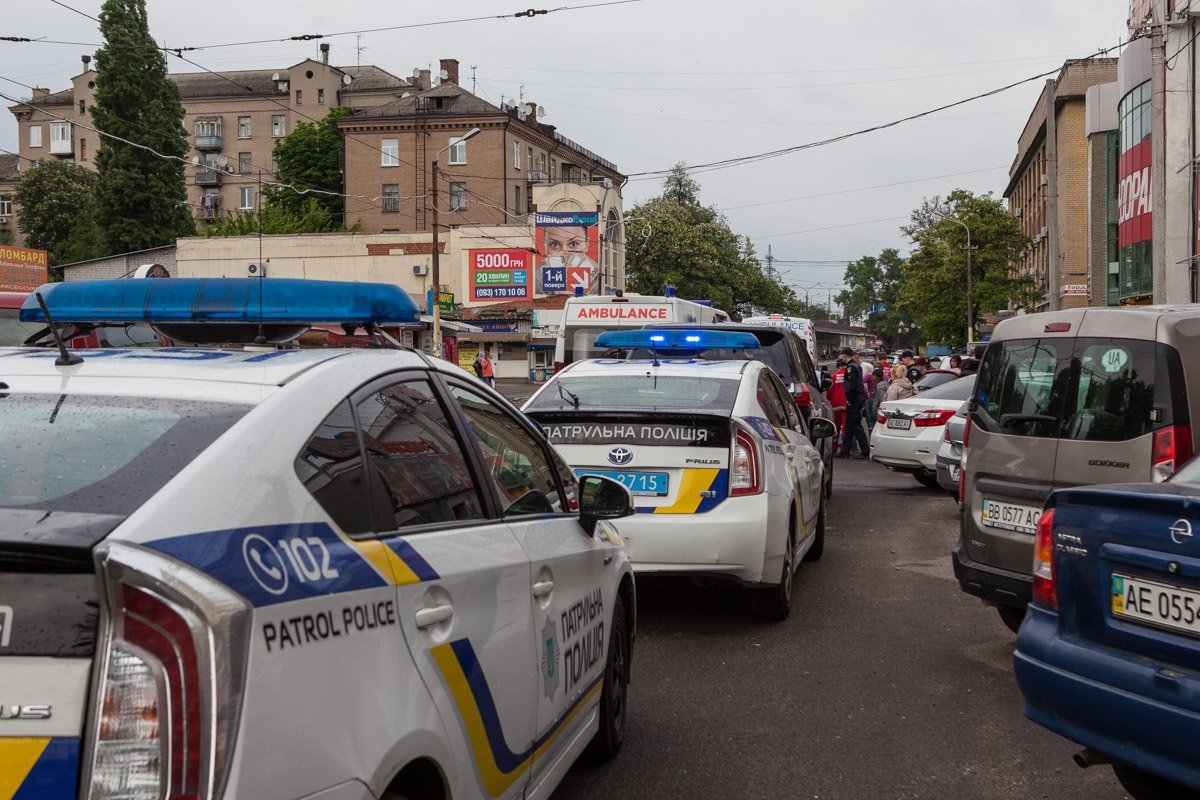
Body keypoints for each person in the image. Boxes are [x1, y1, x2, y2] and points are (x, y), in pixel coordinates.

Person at [838, 348, 870, 459]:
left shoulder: (851, 368)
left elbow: (851, 386)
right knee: (849, 426)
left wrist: (849, 399)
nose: (842, 357)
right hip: (857, 398)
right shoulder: (857, 366)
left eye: (842, 355)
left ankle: (865, 451)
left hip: (854, 399)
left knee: (856, 426)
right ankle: (845, 451)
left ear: (845, 356)